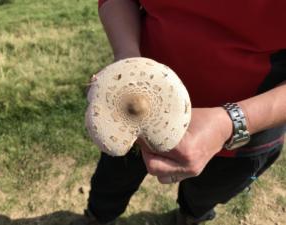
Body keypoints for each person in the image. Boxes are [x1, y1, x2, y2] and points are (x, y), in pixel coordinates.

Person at [70, 0, 286, 224]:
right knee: (112, 181)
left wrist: (231, 123)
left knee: (204, 196)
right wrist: (127, 59)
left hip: (242, 134)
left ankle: (189, 217)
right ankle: (98, 217)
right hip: (129, 118)